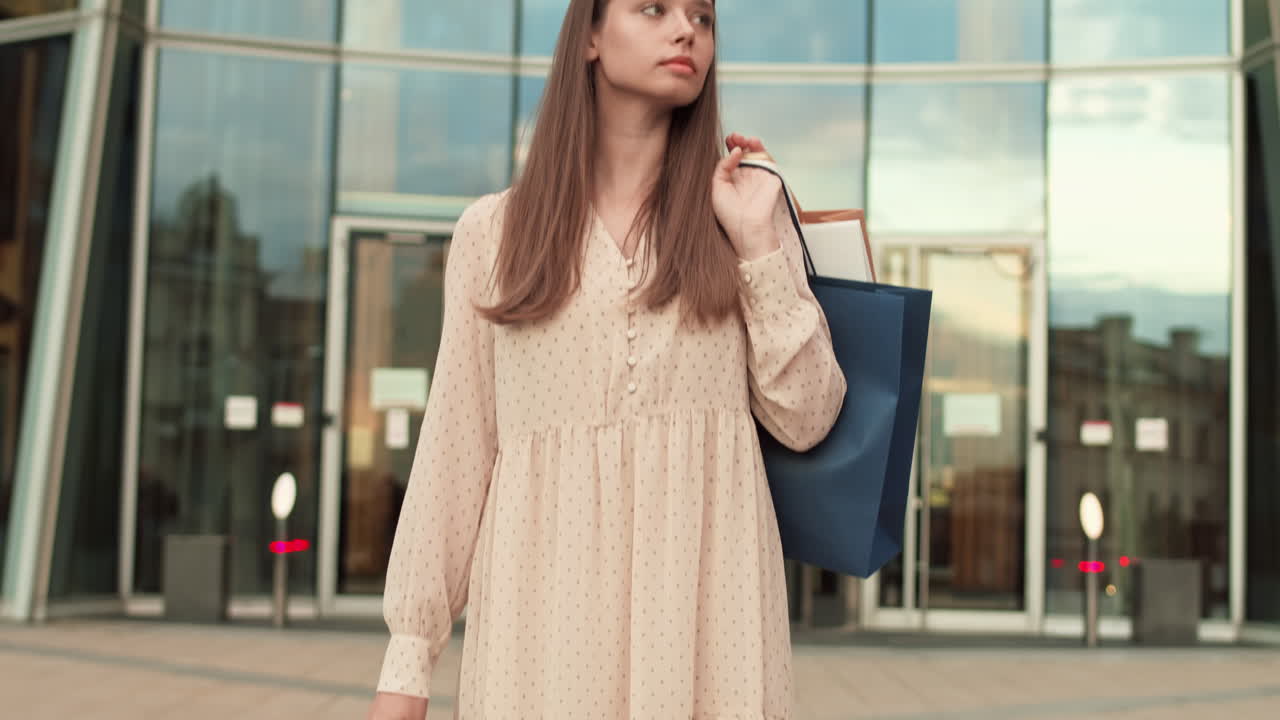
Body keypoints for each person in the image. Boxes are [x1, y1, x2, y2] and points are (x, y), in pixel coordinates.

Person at [367, 0, 845, 717]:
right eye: (654, 8)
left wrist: (756, 241)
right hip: (543, 632)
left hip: (708, 632)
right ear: (590, 35)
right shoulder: (493, 235)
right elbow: (456, 453)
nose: (687, 30)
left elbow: (807, 414)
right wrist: (408, 662)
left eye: (703, 16)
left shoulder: (741, 216)